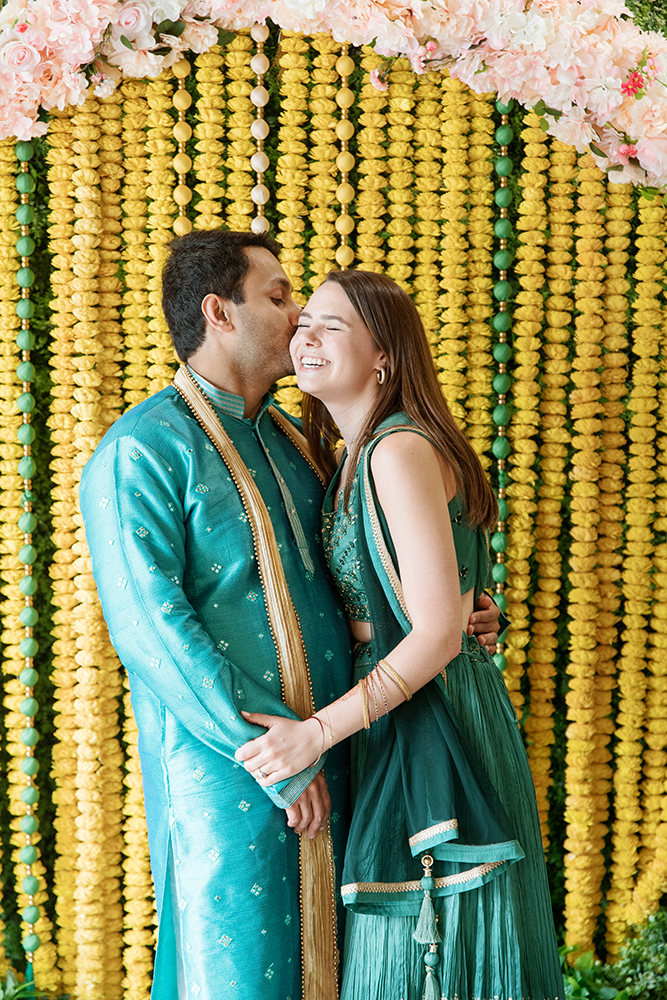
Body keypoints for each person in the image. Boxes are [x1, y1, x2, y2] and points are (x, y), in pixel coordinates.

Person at [79, 230, 501, 1000]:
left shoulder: (296, 440)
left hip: (349, 755)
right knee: (241, 974)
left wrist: (447, 612)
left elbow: (368, 576)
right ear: (219, 312)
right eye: (277, 297)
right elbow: (154, 633)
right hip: (236, 771)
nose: (298, 311)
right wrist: (277, 753)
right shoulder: (140, 450)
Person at [236, 269, 564, 1000]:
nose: (305, 335)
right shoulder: (351, 453)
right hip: (401, 707)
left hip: (432, 710)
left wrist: (313, 735)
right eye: (304, 321)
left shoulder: (395, 450)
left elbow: (439, 633)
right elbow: (447, 598)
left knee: (432, 954)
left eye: (331, 325)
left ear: (384, 355)